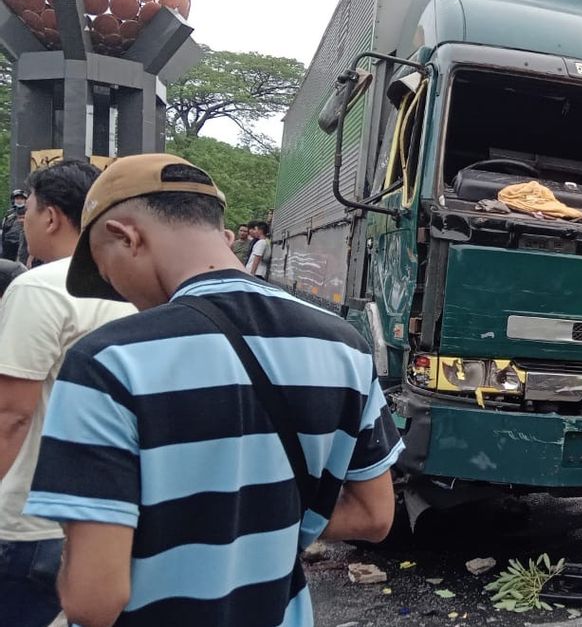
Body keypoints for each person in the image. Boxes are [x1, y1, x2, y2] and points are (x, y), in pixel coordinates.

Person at [23, 154, 403, 626]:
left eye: (106, 271)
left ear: (126, 236)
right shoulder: (345, 345)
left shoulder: (106, 362)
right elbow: (374, 516)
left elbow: (93, 601)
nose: (117, 291)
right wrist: (254, 521)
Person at [0, 162, 135, 627]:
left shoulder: (39, 287)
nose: (25, 222)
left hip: (26, 520)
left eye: (29, 212)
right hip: (102, 518)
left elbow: (10, 416)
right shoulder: (132, 284)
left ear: (53, 217)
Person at [1, 189, 27, 261]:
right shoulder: (9, 214)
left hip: (22, 246)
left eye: (22, 198)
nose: (19, 200)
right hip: (8, 246)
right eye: (17, 198)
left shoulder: (29, 213)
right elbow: (3, 231)